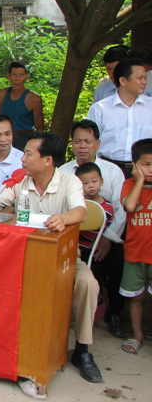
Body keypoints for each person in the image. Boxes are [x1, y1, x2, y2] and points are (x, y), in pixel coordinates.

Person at [0, 133, 101, 383]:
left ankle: (82, 350)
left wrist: (63, 219)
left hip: (62, 259)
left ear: (47, 160)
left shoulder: (69, 181)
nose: (23, 158)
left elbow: (81, 212)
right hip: (22, 257)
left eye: (29, 153)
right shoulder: (21, 180)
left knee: (87, 284)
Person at [60, 119, 127, 338]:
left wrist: (107, 238)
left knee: (117, 261)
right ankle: (70, 314)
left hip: (107, 236)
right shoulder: (63, 172)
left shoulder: (112, 171)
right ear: (72, 143)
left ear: (97, 144)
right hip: (74, 238)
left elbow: (120, 208)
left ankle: (114, 314)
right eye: (77, 141)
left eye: (88, 141)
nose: (82, 146)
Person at [87, 58, 152, 179]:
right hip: (108, 170)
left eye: (145, 78)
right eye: (140, 78)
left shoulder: (150, 107)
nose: (144, 82)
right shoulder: (100, 109)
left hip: (145, 172)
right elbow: (89, 142)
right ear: (123, 80)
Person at [120, 138, 152, 355]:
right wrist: (139, 180)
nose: (150, 169)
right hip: (135, 252)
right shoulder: (130, 185)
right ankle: (137, 334)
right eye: (146, 164)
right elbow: (130, 206)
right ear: (135, 165)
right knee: (135, 297)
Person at [0, 61, 44, 150]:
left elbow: (39, 127)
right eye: (14, 75)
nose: (17, 79)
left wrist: (38, 147)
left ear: (26, 77)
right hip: (5, 137)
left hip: (25, 138)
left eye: (21, 75)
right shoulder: (1, 94)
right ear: (8, 76)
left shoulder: (34, 98)